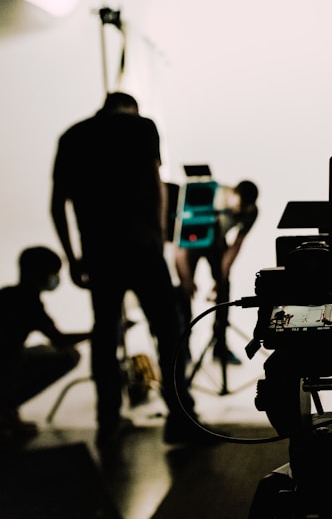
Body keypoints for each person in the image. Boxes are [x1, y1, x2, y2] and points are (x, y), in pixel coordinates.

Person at [51, 91, 210, 447]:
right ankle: (182, 419)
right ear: (131, 108)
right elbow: (157, 188)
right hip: (142, 248)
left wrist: (72, 256)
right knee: (168, 334)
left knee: (106, 336)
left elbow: (57, 203)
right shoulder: (142, 127)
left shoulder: (73, 135)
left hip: (99, 252)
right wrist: (159, 240)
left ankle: (108, 421)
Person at [0, 246, 89, 445]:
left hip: (10, 359)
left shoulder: (8, 294)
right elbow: (60, 340)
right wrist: (97, 332)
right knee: (69, 356)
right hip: (6, 364)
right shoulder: (29, 303)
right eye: (52, 273)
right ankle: (6, 406)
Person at [174, 180, 258, 365]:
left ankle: (220, 345)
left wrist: (221, 278)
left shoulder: (250, 213)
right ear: (231, 194)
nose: (238, 212)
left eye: (243, 210)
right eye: (237, 206)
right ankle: (183, 347)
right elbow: (179, 243)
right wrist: (186, 278)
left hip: (217, 242)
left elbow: (235, 246)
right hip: (192, 243)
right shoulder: (210, 196)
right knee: (183, 292)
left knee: (225, 288)